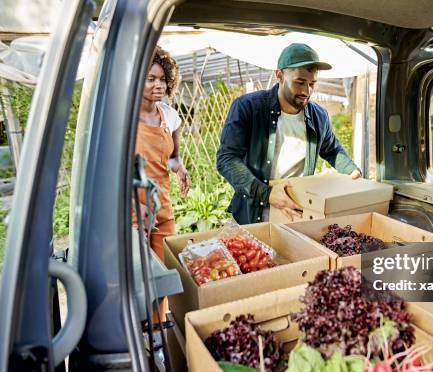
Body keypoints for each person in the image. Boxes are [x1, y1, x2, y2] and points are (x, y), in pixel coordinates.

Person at [217, 43, 361, 224]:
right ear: (279, 75)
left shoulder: (319, 116)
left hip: (297, 208)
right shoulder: (248, 107)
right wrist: (267, 194)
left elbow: (331, 149)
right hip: (254, 210)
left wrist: (352, 170)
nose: (306, 91)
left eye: (312, 84)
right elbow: (227, 159)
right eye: (300, 82)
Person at [134, 46, 190, 260]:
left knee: (166, 273)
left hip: (162, 209)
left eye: (162, 79)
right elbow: (110, 172)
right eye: (150, 79)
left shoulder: (170, 116)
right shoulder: (124, 121)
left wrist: (180, 169)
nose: (158, 85)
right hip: (132, 212)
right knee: (138, 279)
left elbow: (173, 157)